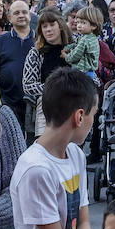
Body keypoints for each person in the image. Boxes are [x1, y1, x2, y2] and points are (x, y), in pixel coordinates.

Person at [8, 68, 96, 229]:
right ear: (79, 116)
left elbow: (85, 221)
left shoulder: (76, 154)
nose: (93, 123)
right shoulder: (37, 169)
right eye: (93, 115)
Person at [22, 10, 73, 138]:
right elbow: (28, 85)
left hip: (72, 101)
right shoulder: (36, 53)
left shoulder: (74, 48)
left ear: (60, 26)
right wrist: (54, 89)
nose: (48, 29)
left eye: (51, 25)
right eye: (44, 27)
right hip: (46, 104)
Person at [0, 0, 34, 131]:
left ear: (30, 15)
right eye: (16, 13)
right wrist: (1, 95)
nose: (21, 15)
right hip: (8, 102)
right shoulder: (1, 41)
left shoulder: (39, 39)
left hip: (35, 103)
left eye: (24, 12)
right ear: (9, 17)